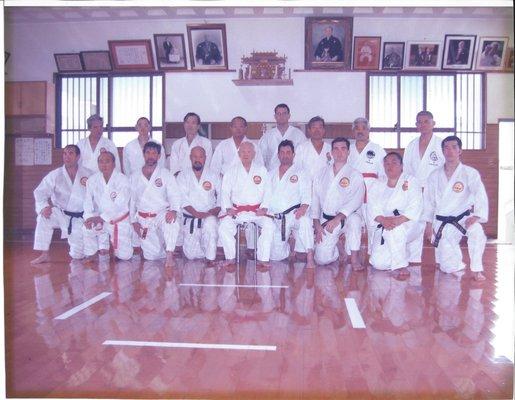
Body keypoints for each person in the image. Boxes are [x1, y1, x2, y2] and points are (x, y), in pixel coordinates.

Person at [422, 136, 488, 281]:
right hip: (442, 222)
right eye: (446, 147)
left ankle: (476, 269)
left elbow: (480, 194)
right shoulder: (434, 175)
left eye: (453, 147)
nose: (449, 150)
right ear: (442, 151)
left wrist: (477, 216)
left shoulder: (470, 173)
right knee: (448, 267)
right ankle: (451, 259)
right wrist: (428, 225)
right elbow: (428, 202)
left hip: (464, 218)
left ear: (460, 151)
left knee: (477, 231)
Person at [218, 142, 275, 268]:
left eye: (249, 152)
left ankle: (263, 258)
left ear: (254, 154)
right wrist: (228, 208)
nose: (246, 154)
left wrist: (264, 207)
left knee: (269, 226)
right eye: (243, 152)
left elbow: (268, 190)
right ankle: (230, 258)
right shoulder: (231, 171)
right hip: (238, 211)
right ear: (238, 154)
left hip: (257, 211)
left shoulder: (261, 170)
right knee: (224, 227)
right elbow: (225, 192)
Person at [31, 145, 92, 264]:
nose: (67, 156)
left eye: (70, 153)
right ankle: (44, 254)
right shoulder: (55, 174)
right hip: (61, 213)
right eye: (65, 154)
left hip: (80, 217)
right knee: (43, 217)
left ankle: (80, 249)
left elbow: (96, 197)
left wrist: (91, 216)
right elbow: (40, 192)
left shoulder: (89, 174)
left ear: (78, 156)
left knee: (78, 255)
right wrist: (44, 207)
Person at [367, 152, 423, 279]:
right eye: (386, 163)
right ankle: (402, 251)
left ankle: (400, 265)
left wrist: (397, 221)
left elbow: (416, 206)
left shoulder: (411, 181)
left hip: (408, 224)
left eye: (394, 162)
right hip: (384, 225)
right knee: (378, 263)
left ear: (401, 166)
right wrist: (383, 220)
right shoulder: (377, 184)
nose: (389, 166)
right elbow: (372, 207)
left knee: (395, 230)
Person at [311, 137, 364, 268]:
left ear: (348, 152)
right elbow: (315, 200)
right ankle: (338, 247)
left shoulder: (355, 174)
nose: (339, 152)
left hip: (346, 218)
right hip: (327, 220)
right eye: (336, 149)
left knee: (355, 220)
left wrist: (338, 218)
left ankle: (354, 258)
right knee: (321, 260)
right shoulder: (321, 173)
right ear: (332, 152)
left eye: (343, 148)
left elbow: (356, 200)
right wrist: (317, 224)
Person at [129, 142, 181, 266]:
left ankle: (169, 254)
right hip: (143, 217)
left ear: (159, 156)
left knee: (172, 222)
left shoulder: (165, 174)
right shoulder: (134, 176)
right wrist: (134, 221)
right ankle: (161, 245)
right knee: (152, 257)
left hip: (161, 214)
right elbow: (131, 200)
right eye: (148, 153)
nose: (150, 156)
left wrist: (173, 210)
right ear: (143, 154)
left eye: (154, 153)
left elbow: (174, 195)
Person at [403, 111, 444, 263]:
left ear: (434, 123)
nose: (423, 124)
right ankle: (413, 259)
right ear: (416, 125)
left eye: (426, 121)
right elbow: (406, 172)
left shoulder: (441, 144)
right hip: (415, 191)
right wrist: (407, 190)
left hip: (435, 191)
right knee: (414, 224)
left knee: (438, 226)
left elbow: (446, 170)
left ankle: (443, 261)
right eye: (419, 122)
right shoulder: (411, 145)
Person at [267, 140, 315, 268]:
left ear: (293, 154)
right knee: (276, 257)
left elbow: (306, 193)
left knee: (305, 221)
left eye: (288, 152)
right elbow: (265, 195)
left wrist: (304, 207)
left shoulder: (301, 172)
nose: (285, 155)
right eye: (282, 152)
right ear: (278, 155)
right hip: (277, 217)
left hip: (295, 214)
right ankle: (290, 247)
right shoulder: (270, 174)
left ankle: (310, 257)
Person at [83, 151, 133, 261]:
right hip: (99, 219)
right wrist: (88, 218)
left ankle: (114, 248)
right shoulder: (92, 180)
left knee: (125, 257)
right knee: (87, 228)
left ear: (114, 164)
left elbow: (120, 204)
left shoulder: (122, 180)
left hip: (118, 220)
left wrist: (101, 218)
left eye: (107, 161)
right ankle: (92, 253)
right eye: (101, 162)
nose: (104, 164)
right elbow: (87, 202)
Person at [348, 117, 386, 254]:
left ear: (369, 130)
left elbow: (384, 175)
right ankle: (351, 254)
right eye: (357, 128)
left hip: (373, 193)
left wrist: (380, 193)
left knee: (373, 223)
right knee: (353, 223)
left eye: (364, 128)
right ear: (352, 131)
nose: (360, 131)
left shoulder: (378, 149)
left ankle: (374, 253)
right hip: (352, 193)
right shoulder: (347, 149)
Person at [177, 146, 221, 262]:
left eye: (201, 156)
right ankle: (202, 245)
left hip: (208, 215)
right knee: (191, 255)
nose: (198, 159)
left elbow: (222, 195)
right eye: (195, 156)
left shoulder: (213, 175)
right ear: (190, 158)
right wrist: (196, 213)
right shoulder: (183, 175)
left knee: (211, 225)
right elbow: (181, 197)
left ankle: (210, 258)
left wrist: (213, 211)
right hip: (191, 216)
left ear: (205, 158)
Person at [259, 103, 306, 171]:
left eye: (284, 113)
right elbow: (261, 159)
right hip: (272, 174)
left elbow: (304, 158)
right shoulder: (267, 136)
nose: (281, 116)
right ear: (275, 116)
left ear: (289, 116)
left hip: (294, 174)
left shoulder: (299, 135)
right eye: (279, 114)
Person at [294, 116, 332, 183]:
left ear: (324, 130)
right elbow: (296, 170)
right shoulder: (301, 148)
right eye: (314, 127)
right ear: (309, 130)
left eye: (320, 127)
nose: (317, 130)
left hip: (325, 187)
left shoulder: (330, 148)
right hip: (306, 187)